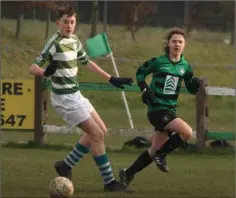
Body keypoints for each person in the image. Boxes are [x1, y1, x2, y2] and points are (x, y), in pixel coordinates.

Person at [29, 5, 133, 192]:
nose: (69, 26)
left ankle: (66, 165)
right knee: (96, 135)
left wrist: (111, 78)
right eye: (65, 22)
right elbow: (32, 67)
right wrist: (45, 72)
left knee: (101, 130)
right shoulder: (54, 42)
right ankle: (109, 182)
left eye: (72, 22)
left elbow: (87, 63)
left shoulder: (75, 40)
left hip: (76, 95)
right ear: (57, 23)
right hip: (64, 99)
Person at [119, 27, 200, 187]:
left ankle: (127, 174)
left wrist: (195, 87)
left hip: (170, 110)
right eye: (174, 41)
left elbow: (190, 87)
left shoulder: (186, 67)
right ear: (168, 44)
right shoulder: (158, 61)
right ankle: (162, 155)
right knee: (187, 132)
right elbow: (140, 72)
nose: (177, 44)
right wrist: (144, 89)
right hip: (156, 109)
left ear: (184, 45)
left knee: (152, 151)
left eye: (180, 42)